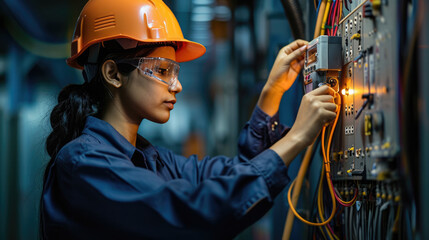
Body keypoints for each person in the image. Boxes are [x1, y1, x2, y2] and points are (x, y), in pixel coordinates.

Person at [40, 0, 337, 239]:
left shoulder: (149, 159)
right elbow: (192, 213)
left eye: (175, 71)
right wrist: (297, 136)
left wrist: (270, 95)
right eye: (162, 70)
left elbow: (232, 176)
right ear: (113, 74)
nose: (177, 85)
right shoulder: (84, 165)